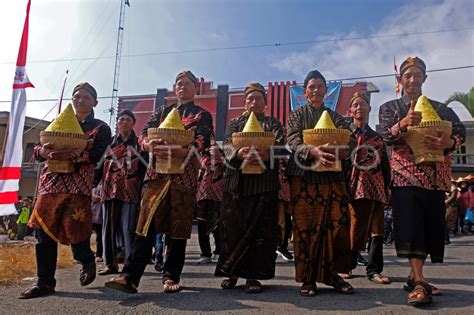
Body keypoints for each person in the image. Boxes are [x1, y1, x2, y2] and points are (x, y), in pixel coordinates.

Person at [105, 70, 213, 294]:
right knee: (146, 225)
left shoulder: (202, 114)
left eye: (187, 84)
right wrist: (147, 145)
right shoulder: (162, 112)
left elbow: (202, 141)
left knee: (177, 227)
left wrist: (183, 149)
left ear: (196, 89)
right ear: (175, 88)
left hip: (184, 175)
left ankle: (171, 275)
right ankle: (130, 276)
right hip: (156, 174)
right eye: (179, 84)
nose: (182, 87)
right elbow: (144, 134)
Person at [378, 56, 465, 305]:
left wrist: (448, 142)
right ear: (400, 79)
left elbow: (458, 132)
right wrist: (401, 124)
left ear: (425, 78)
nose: (413, 79)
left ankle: (414, 274)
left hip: (437, 178)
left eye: (418, 75)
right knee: (411, 227)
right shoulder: (390, 107)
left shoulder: (442, 108)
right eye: (408, 75)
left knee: (428, 228)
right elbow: (385, 135)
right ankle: (418, 282)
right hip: (406, 176)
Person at [19, 82, 112, 299]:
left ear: (95, 102)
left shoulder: (100, 128)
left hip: (78, 185)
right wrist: (43, 151)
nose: (80, 100)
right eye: (77, 96)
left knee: (75, 228)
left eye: (86, 97)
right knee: (42, 230)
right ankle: (45, 282)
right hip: (50, 183)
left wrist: (70, 155)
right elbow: (38, 153)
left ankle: (86, 258)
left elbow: (96, 156)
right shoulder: (57, 123)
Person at [286, 69, 353, 297]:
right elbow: (293, 139)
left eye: (320, 87)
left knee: (336, 224)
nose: (316, 90)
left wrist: (342, 151)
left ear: (326, 91)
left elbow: (350, 140)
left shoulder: (337, 118)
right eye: (311, 87)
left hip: (332, 176)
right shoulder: (296, 115)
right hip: (303, 176)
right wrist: (312, 150)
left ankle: (334, 276)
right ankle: (308, 279)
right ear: (305, 92)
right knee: (305, 227)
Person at [215, 82, 284, 293]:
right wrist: (238, 153)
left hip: (264, 184)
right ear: (245, 102)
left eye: (258, 98)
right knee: (233, 229)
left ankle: (254, 277)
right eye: (250, 99)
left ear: (265, 102)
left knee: (260, 232)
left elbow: (281, 147)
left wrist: (267, 154)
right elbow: (226, 144)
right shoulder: (236, 123)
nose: (254, 102)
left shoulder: (273, 124)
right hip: (237, 184)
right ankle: (232, 272)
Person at [343, 92, 391, 284]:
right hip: (353, 185)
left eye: (363, 104)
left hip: (376, 185)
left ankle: (374, 270)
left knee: (377, 228)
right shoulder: (345, 135)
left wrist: (388, 186)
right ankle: (347, 266)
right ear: (350, 111)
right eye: (355, 105)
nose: (359, 107)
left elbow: (385, 163)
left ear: (369, 109)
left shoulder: (377, 137)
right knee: (354, 225)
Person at [98, 110, 143, 275]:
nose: (124, 122)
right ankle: (110, 264)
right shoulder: (109, 144)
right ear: (117, 123)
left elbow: (144, 168)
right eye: (121, 119)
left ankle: (130, 264)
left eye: (128, 120)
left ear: (133, 123)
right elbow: (99, 167)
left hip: (130, 191)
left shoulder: (139, 145)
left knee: (128, 228)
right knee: (107, 228)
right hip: (109, 190)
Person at [196, 144, 224, 264]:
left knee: (218, 224)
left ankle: (219, 251)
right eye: (210, 146)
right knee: (202, 224)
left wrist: (220, 156)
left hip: (218, 195)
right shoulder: (201, 158)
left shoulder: (224, 159)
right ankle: (205, 253)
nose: (211, 148)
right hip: (202, 195)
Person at [276, 156, 294, 261]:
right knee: (281, 220)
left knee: (286, 219)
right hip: (278, 190)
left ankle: (282, 245)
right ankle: (280, 245)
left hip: (287, 190)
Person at [91, 185, 103, 262]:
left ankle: (99, 254)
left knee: (100, 235)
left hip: (100, 214)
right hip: (89, 213)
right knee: (86, 235)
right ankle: (87, 253)